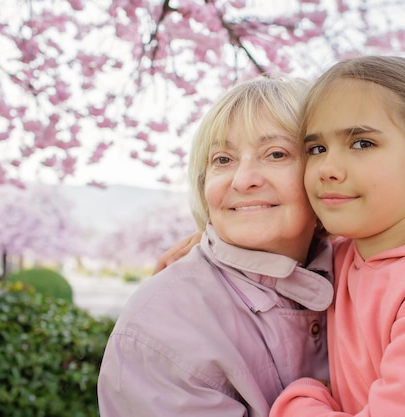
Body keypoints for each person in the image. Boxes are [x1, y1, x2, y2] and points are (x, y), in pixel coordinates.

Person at [155, 57, 405, 417]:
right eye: (316, 148)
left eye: (362, 142)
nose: (329, 168)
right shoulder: (353, 255)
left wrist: (302, 400)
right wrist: (217, 247)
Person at [97, 76, 335, 417]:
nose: (243, 179)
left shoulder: (367, 271)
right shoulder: (162, 325)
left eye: (276, 154)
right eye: (223, 160)